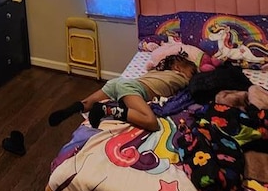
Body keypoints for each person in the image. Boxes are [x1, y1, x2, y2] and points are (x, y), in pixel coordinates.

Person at [48, 51, 198, 132]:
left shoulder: (155, 72)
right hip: (132, 88)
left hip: (120, 83)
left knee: (88, 102)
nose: (194, 75)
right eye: (192, 71)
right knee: (151, 122)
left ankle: (72, 108)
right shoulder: (182, 78)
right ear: (178, 68)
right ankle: (107, 110)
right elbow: (198, 84)